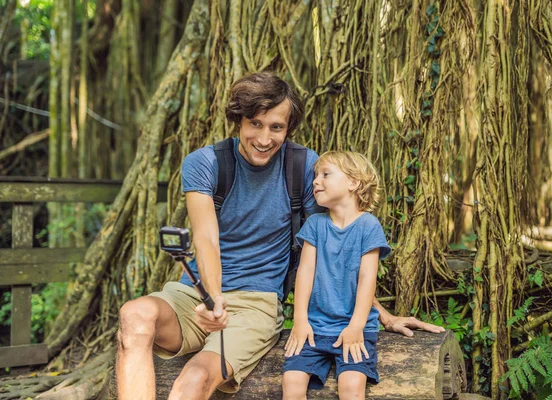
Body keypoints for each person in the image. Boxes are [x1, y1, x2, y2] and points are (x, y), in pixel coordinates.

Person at [116, 72, 444, 400]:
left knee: (195, 378)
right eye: (255, 124)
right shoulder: (205, 163)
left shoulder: (302, 166)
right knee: (134, 315)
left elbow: (334, 252)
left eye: (276, 127)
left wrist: (382, 316)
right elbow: (206, 238)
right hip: (197, 297)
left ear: (288, 129)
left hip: (256, 306)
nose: (264, 138)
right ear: (238, 121)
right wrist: (212, 299)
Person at [282, 151, 390, 400]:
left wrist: (356, 326)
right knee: (292, 382)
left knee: (352, 387)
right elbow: (305, 273)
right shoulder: (315, 225)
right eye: (315, 176)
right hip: (314, 327)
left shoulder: (368, 225)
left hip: (353, 328)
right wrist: (300, 321)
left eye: (325, 174)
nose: (315, 181)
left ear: (354, 183)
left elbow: (367, 280)